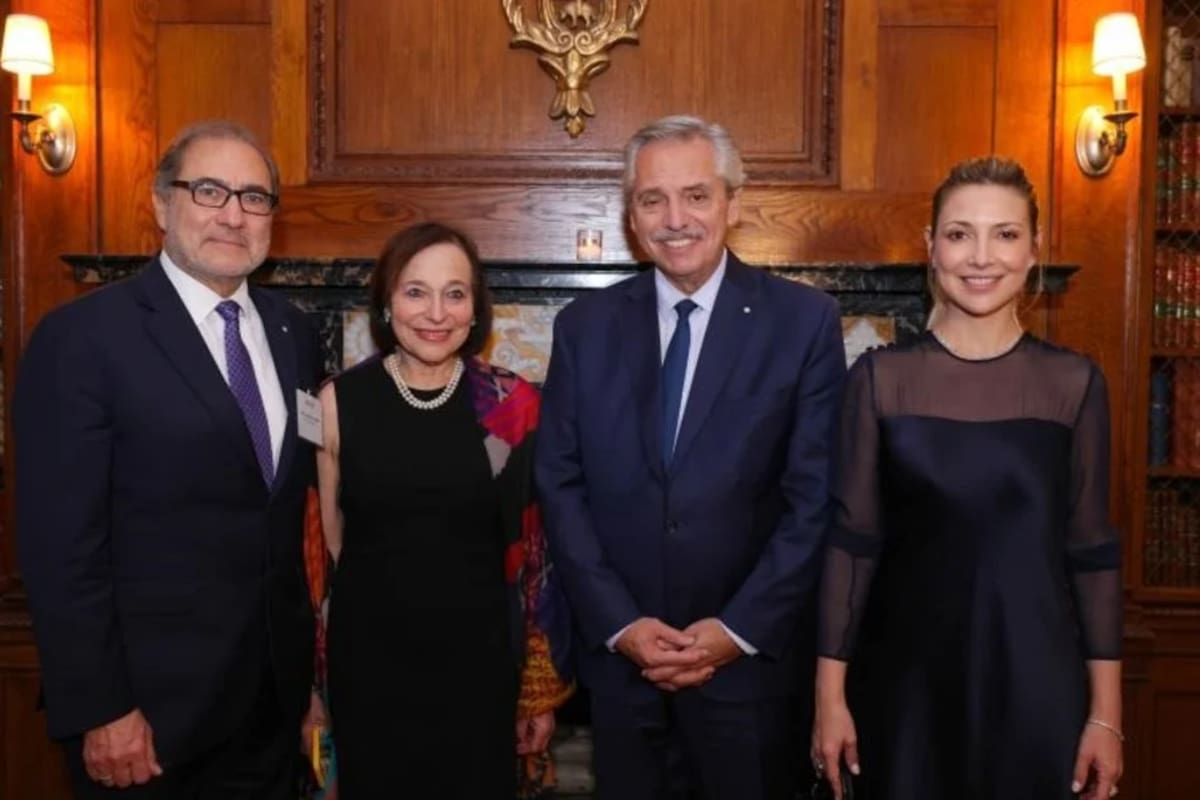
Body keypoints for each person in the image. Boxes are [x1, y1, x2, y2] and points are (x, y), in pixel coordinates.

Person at [535, 114, 847, 799]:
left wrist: (735, 631)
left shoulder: (804, 324)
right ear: (632, 215)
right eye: (653, 199)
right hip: (622, 675)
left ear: (733, 203)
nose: (675, 218)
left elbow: (814, 498)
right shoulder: (583, 329)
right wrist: (621, 625)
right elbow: (560, 484)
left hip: (748, 679)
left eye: (696, 195)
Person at [14, 120, 324, 798]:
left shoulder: (293, 333)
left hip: (269, 714)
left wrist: (305, 688)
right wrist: (101, 707)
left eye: (254, 197)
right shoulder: (82, 338)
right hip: (147, 723)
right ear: (160, 204)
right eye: (209, 190)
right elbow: (60, 548)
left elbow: (284, 521)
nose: (233, 214)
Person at [811, 156, 1123, 800]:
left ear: (1034, 250)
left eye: (1005, 234)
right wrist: (829, 698)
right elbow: (851, 545)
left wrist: (1107, 715)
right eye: (959, 234)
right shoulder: (878, 380)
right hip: (905, 689)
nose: (981, 257)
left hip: (1039, 688)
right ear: (931, 248)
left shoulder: (1074, 384)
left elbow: (1092, 555)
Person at [315, 221, 574, 799]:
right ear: (385, 303)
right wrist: (316, 693)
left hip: (480, 671)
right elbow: (329, 551)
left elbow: (539, 559)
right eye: (415, 292)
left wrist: (537, 692)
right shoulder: (337, 401)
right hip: (370, 666)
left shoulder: (513, 405)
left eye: (454, 294)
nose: (436, 312)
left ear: (475, 309)